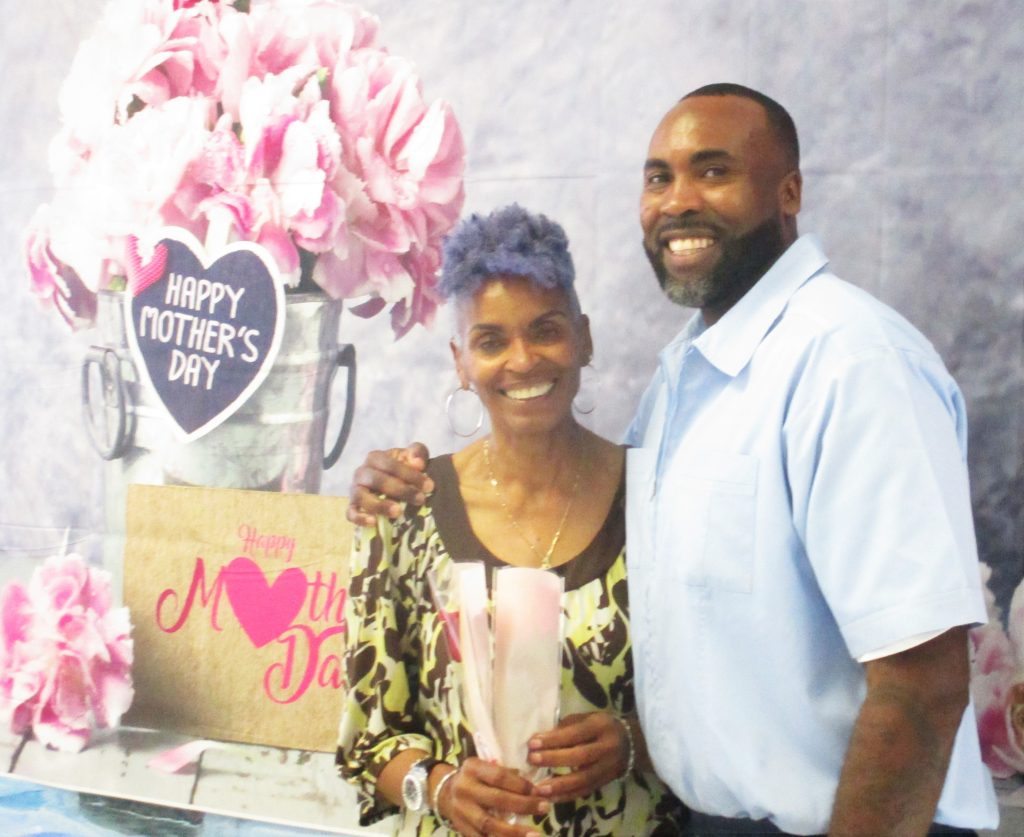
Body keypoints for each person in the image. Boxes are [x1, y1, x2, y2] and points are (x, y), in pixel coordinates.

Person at [347, 84, 999, 836]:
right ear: (460, 359)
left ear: (788, 191)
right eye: (659, 178)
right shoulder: (683, 382)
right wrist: (632, 740)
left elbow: (920, 682)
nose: (678, 200)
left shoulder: (849, 360)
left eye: (713, 171)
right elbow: (721, 651)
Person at [335, 204, 686, 836]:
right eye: (491, 341)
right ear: (460, 361)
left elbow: (724, 706)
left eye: (545, 330)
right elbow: (367, 742)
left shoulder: (659, 500)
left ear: (584, 338)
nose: (523, 361)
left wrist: (635, 742)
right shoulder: (404, 508)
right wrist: (439, 787)